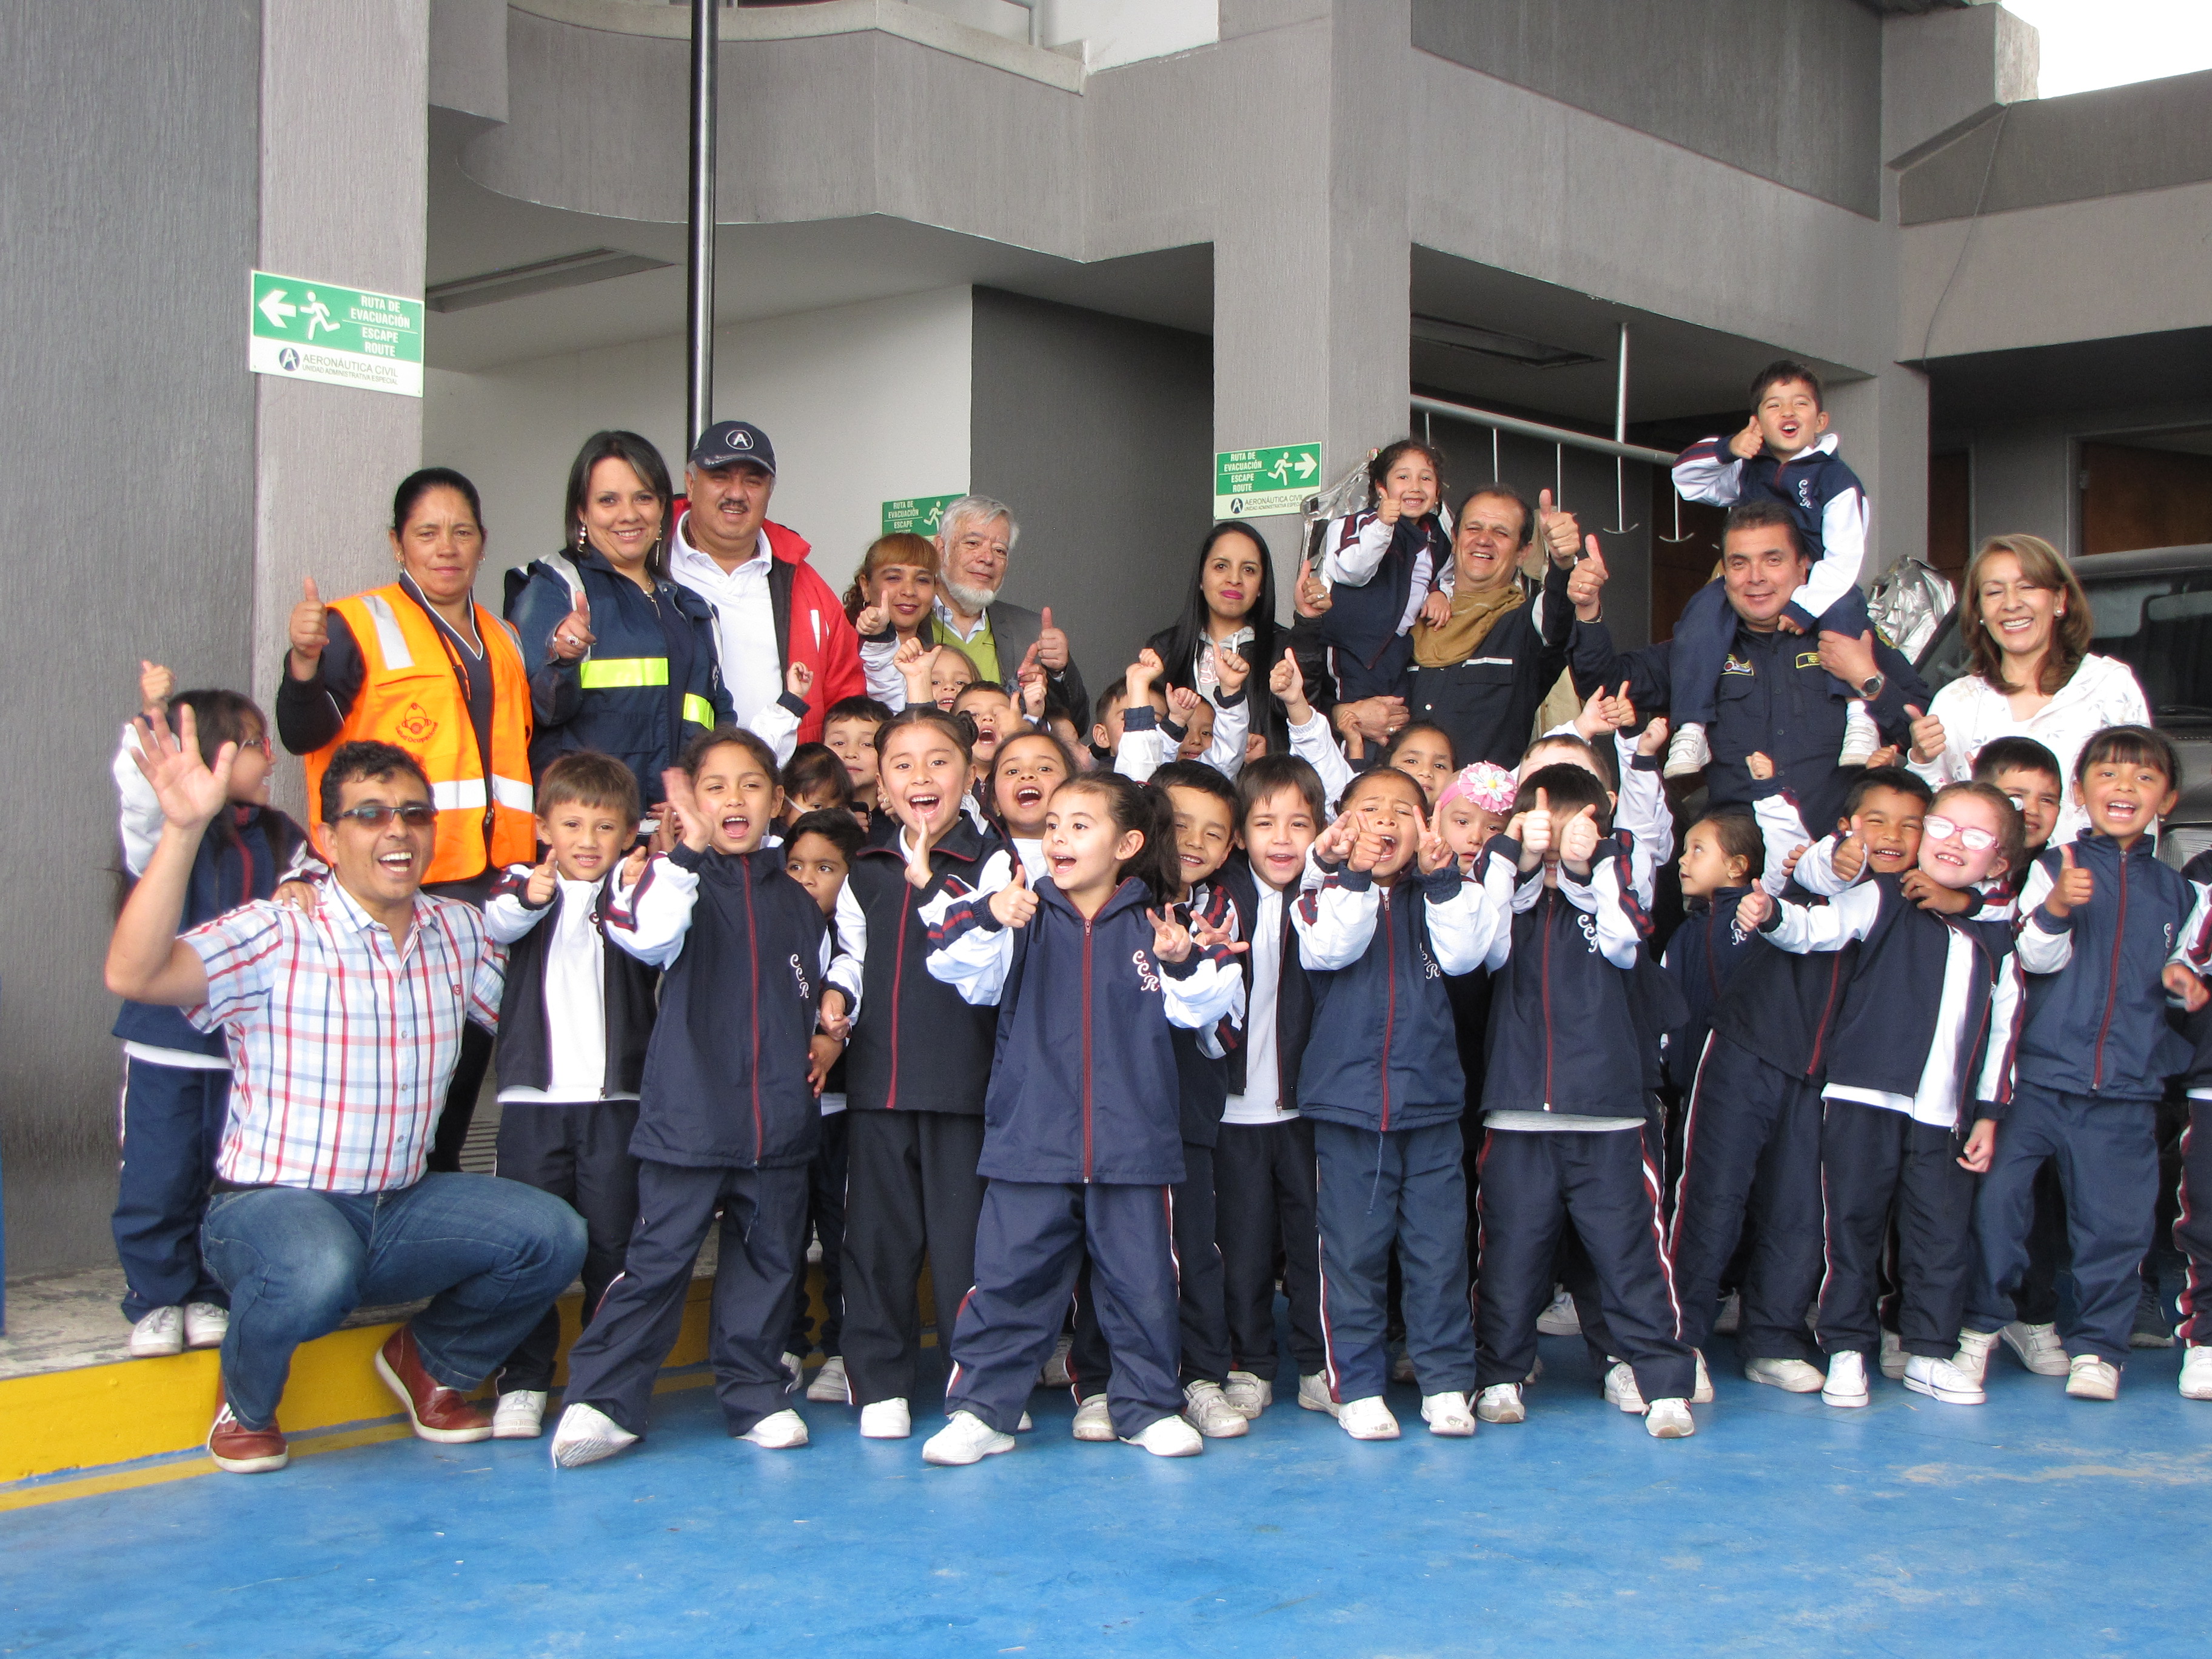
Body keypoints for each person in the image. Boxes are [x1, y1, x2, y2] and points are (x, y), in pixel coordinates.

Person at [104, 727, 586, 1474]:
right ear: (327, 838)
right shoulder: (279, 929)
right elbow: (136, 975)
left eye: (413, 813)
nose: (397, 829)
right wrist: (180, 829)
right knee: (316, 1267)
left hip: (399, 1207)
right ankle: (248, 1404)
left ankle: (429, 1362)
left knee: (553, 1235)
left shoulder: (457, 934)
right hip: (269, 1208)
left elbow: (544, 1016)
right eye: (370, 814)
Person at [918, 773, 1246, 1466]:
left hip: (1135, 1148)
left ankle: (1148, 1407)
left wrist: (1183, 959)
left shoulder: (1164, 923)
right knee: (1008, 1282)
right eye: (1056, 824)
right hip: (1030, 1144)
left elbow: (1205, 1005)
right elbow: (952, 964)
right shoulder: (1020, 914)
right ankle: (982, 1410)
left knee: (1143, 1286)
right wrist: (988, 916)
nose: (1061, 836)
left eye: (1081, 824)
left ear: (1127, 843)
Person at [548, 728, 853, 1466]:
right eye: (714, 787)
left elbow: (832, 974)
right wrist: (683, 850)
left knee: (769, 1263)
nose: (733, 800)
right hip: (688, 1118)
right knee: (656, 1261)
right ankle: (603, 1400)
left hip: (777, 1122)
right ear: (692, 803)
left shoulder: (798, 898)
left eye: (750, 785)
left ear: (777, 801)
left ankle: (753, 1396)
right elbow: (646, 939)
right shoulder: (665, 881)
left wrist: (834, 1029)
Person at [277, 468, 537, 1171]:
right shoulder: (353, 623)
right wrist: (304, 665)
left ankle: (435, 1184)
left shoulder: (505, 639)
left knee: (464, 1057)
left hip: (491, 887)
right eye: (426, 533)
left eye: (461, 532)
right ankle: (383, 1192)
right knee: (401, 1057)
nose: (445, 548)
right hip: (403, 878)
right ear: (398, 544)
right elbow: (302, 732)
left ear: (483, 543)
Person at [1738, 780, 2027, 1410]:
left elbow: (2005, 1026)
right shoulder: (1887, 894)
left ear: (1999, 862)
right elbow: (1819, 928)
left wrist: (1990, 1114)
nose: (1953, 843)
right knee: (1851, 1227)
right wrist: (1772, 914)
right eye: (1943, 827)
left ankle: (1927, 1352)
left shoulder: (1999, 931)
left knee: (1939, 1235)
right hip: (1861, 1098)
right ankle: (1846, 1349)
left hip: (1945, 1114)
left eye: (1976, 838)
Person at [1954, 727, 2203, 1402]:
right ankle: (1978, 1330)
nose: (2124, 788)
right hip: (2037, 1081)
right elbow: (2030, 958)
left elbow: (2187, 969)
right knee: (1999, 1208)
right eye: (2109, 775)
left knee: (2114, 1227)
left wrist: (2187, 982)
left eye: (2144, 778)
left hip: (2126, 1093)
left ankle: (2099, 1350)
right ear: (2083, 792)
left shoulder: (2178, 894)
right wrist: (2060, 908)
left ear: (2168, 800)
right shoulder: (2051, 865)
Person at [1470, 766, 1698, 1438]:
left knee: (1631, 1256)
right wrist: (1517, 854)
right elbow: (1480, 938)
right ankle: (1500, 1374)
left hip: (1610, 1117)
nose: (1567, 835)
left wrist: (1589, 862)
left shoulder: (1613, 884)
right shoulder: (1505, 891)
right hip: (1516, 1116)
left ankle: (1662, 1380)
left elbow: (1629, 938)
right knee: (1510, 1256)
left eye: (1584, 824)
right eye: (1549, 823)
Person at [109, 669, 319, 1359]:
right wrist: (155, 721)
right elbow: (141, 798)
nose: (272, 758)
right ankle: (156, 1298)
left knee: (229, 1180)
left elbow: (315, 875)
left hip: (245, 1053)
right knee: (160, 1174)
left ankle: (209, 1292)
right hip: (168, 1047)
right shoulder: (172, 831)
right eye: (260, 742)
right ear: (219, 751)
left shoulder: (281, 832)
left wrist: (300, 887)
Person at [1295, 765, 1499, 1441]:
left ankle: (1446, 1383)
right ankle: (1356, 1384)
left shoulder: (1450, 891)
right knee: (1352, 1254)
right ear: (1341, 820)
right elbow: (1330, 947)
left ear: (1428, 826)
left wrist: (1444, 878)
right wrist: (1351, 873)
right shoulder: (1319, 890)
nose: (1385, 822)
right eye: (1369, 809)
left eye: (1403, 812)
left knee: (1440, 1252)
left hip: (1433, 1105)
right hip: (1350, 1108)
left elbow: (1467, 955)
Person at [830, 707, 1006, 1440]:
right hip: (878, 1087)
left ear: (969, 774)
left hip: (964, 1087)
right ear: (880, 777)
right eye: (902, 763)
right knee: (876, 1240)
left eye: (939, 761)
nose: (921, 777)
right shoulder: (866, 868)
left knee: (967, 1246)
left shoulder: (993, 863)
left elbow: (994, 972)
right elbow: (851, 955)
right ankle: (880, 1384)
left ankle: (981, 1386)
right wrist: (836, 999)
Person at [1065, 762, 1250, 1443]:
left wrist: (1190, 965)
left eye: (1212, 832)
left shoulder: (1217, 916)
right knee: (1108, 1252)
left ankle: (1199, 1377)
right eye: (1176, 825)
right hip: (1109, 1117)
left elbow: (1222, 1023)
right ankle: (1102, 1381)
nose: (1192, 843)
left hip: (1185, 1116)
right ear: (1139, 833)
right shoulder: (1102, 909)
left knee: (1192, 1249)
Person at [480, 752, 657, 1441]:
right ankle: (524, 1381)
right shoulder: (523, 883)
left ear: (628, 833)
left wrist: (640, 885)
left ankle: (600, 1386)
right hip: (534, 1105)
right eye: (572, 823)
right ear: (543, 827)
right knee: (531, 1249)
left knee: (613, 1251)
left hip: (618, 1104)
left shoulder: (639, 893)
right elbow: (500, 921)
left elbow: (657, 944)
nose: (587, 840)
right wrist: (532, 896)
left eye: (604, 827)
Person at [1572, 500, 1928, 839]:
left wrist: (1868, 680)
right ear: (1724, 574)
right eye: (1740, 563)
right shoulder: (1699, 650)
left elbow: (1925, 732)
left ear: (1804, 565)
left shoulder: (1851, 639)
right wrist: (1588, 610)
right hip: (1737, 873)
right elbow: (1603, 686)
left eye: (1773, 560)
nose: (1755, 577)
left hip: (1838, 863)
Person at [1667, 360, 1876, 778]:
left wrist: (1807, 605)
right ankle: (1691, 726)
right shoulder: (1747, 466)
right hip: (1752, 583)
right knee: (1702, 614)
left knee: (1846, 615)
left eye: (1800, 404)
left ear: (1820, 420)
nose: (1788, 413)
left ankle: (1860, 717)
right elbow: (1687, 479)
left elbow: (1845, 559)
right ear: (1756, 421)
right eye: (1774, 405)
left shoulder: (1837, 480)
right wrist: (1729, 447)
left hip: (1820, 581)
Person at [504, 431, 733, 809]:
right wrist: (560, 658)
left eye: (643, 497)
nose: (628, 514)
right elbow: (539, 712)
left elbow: (719, 720)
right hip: (589, 837)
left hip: (676, 835)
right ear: (582, 511)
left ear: (663, 508)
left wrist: (701, 795)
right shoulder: (555, 588)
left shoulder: (693, 610)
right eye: (608, 500)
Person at [1212, 755, 1331, 1418]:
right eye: (1264, 824)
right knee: (1243, 1249)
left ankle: (1317, 1363)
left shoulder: (1331, 898)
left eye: (1299, 823)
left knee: (1315, 1245)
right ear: (1239, 835)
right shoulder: (1222, 896)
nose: (1282, 839)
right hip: (1233, 1112)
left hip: (1308, 1110)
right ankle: (1251, 1362)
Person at [1906, 535, 2151, 841]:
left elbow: (2140, 802)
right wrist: (1922, 760)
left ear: (2060, 600)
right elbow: (1935, 816)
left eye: (2027, 587)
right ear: (1980, 611)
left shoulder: (2110, 685)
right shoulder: (1956, 701)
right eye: (1995, 592)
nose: (2011, 604)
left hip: (2088, 884)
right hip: (1985, 887)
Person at [666, 420, 863, 744]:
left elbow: (848, 699)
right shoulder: (650, 564)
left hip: (785, 782)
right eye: (720, 477)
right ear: (690, 483)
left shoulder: (807, 585)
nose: (736, 494)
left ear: (770, 491)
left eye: (753, 482)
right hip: (675, 784)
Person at [1404, 484, 1591, 768]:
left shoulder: (1525, 626)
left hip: (1481, 811)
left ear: (1523, 552)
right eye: (1473, 528)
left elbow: (1558, 612)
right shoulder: (1409, 614)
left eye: (1501, 533)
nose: (1484, 540)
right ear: (1454, 538)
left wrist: (1563, 563)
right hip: (1396, 807)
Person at [780, 807, 868, 1405]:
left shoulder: (862, 936)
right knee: (780, 1236)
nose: (807, 878)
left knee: (844, 1238)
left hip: (844, 1112)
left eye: (826, 868)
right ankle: (783, 1345)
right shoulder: (771, 929)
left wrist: (839, 1038)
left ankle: (842, 1349)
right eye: (795, 866)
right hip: (783, 1111)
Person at [1310, 440, 1453, 705]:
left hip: (1398, 650)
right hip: (1353, 648)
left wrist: (1439, 593)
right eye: (1403, 476)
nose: (1415, 486)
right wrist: (1382, 526)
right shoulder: (1354, 524)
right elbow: (1352, 571)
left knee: (1395, 723)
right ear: (1381, 487)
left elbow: (1446, 573)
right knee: (1354, 717)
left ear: (1437, 492)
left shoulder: (1437, 538)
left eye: (1426, 478)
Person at [928, 494, 1088, 720]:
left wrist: (1059, 671)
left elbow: (1077, 723)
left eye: (999, 550)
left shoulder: (1030, 632)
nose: (987, 558)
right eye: (973, 543)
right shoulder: (909, 625)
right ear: (940, 548)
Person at [1143, 522, 1287, 753]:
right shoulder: (1165, 648)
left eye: (1249, 570)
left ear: (1261, 586)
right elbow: (1146, 738)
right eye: (1221, 566)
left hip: (1256, 786)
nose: (1234, 579)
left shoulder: (1283, 649)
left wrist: (1309, 625)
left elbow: (1303, 724)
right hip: (1179, 785)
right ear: (1201, 577)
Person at [2173, 847, 2212, 1401]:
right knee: (2209, 1219)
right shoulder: (2206, 873)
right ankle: (2206, 1340)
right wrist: (2182, 978)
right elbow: (2182, 959)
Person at [846, 532, 940, 709]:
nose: (909, 591)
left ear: (936, 589)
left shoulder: (942, 657)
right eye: (894, 578)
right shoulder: (843, 654)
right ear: (866, 586)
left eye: (922, 580)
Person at [821, 694, 893, 823]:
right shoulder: (813, 817)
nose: (851, 753)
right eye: (839, 743)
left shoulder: (900, 818)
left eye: (867, 744)